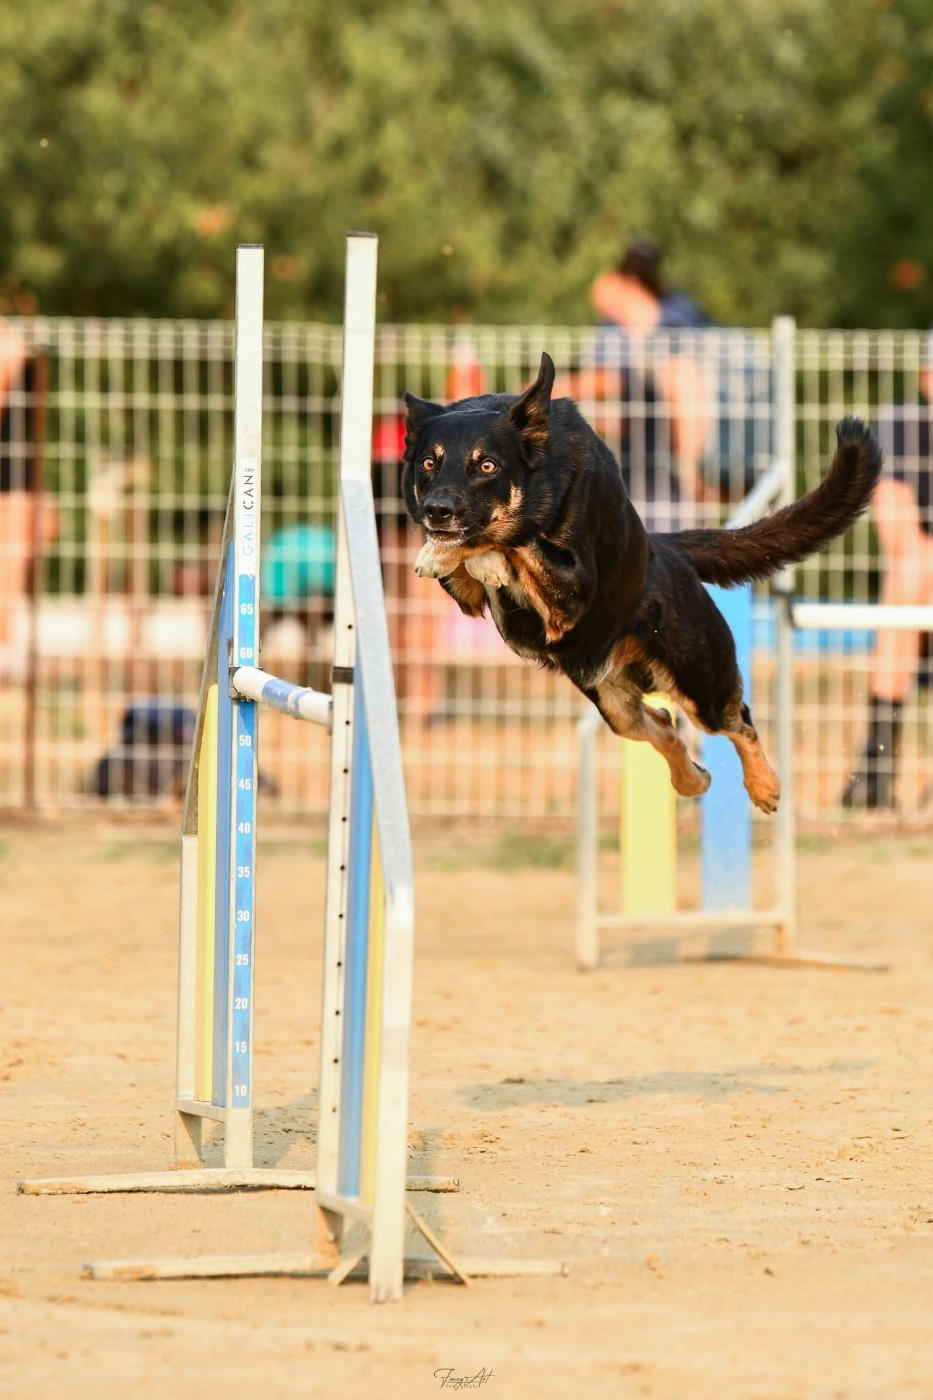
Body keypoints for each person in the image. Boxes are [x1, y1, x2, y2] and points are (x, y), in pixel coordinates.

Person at [555, 238, 719, 531]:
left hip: (667, 482)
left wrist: (547, 388)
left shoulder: (650, 332)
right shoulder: (683, 315)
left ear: (623, 281)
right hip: (659, 474)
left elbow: (608, 378)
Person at [842, 330, 933, 810]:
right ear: (925, 378)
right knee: (912, 573)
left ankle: (876, 764)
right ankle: (878, 762)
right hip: (919, 590)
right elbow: (898, 533)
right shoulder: (902, 426)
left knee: (913, 576)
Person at [0, 323, 58, 668]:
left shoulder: (19, 347)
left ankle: (7, 636)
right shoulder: (13, 347)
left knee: (19, 551)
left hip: (17, 482)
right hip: (13, 486)